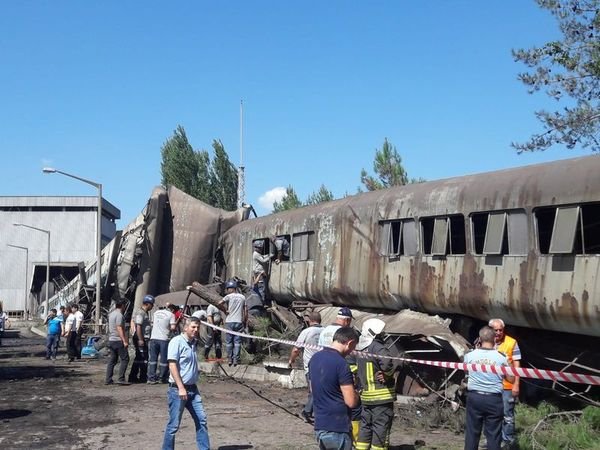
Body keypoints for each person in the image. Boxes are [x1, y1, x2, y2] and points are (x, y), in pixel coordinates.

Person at [162, 317, 210, 450]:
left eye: (198, 327)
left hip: (193, 390)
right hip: (178, 390)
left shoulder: (193, 343)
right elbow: (172, 365)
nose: (196, 330)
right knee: (174, 425)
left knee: (202, 420)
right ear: (185, 327)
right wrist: (181, 387)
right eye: (193, 327)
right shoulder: (176, 342)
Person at [464, 326, 514, 450]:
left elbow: (466, 374)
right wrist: (509, 363)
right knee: (493, 435)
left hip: (474, 397)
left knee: (472, 433)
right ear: (495, 339)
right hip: (494, 399)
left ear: (479, 339)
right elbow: (511, 379)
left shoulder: (469, 356)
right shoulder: (502, 357)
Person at [309, 327, 360, 450]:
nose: (352, 351)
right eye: (353, 347)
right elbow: (351, 402)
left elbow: (312, 389)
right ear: (350, 343)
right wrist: (356, 392)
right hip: (338, 427)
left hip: (320, 424)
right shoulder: (341, 364)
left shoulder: (315, 358)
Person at [354, 318, 398, 450]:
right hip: (381, 397)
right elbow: (387, 363)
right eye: (381, 333)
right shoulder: (377, 347)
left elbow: (352, 367)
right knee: (381, 429)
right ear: (375, 333)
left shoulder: (360, 347)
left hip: (366, 397)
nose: (383, 335)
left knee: (365, 427)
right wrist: (388, 374)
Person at [489, 318, 521, 447]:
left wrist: (516, 385)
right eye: (495, 330)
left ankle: (508, 442)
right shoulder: (485, 342)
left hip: (507, 386)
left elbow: (517, 366)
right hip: (491, 386)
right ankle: (493, 441)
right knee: (492, 416)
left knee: (508, 416)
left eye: (500, 330)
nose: (498, 332)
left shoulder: (512, 343)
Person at [288, 311, 323, 423]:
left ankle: (307, 412)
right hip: (325, 365)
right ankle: (313, 413)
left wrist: (291, 360)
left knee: (314, 391)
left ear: (309, 320)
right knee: (319, 390)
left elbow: (296, 349)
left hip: (311, 367)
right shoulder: (326, 331)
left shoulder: (306, 332)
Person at [219, 280, 247, 367]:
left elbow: (219, 303)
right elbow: (246, 310)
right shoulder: (242, 297)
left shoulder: (228, 296)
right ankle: (236, 359)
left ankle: (229, 359)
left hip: (229, 321)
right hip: (239, 321)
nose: (227, 290)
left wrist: (225, 310)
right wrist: (245, 320)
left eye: (228, 289)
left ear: (231, 289)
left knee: (229, 342)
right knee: (237, 342)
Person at [148, 303, 177, 384]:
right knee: (163, 359)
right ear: (172, 309)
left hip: (153, 338)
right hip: (164, 339)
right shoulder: (171, 315)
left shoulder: (156, 313)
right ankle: (162, 377)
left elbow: (152, 324)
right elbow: (172, 327)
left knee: (153, 359)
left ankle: (151, 378)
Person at [129, 295, 155, 383]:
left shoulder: (144, 312)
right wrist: (140, 339)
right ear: (147, 304)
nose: (153, 306)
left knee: (140, 358)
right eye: (152, 304)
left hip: (143, 338)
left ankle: (137, 376)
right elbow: (138, 326)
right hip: (141, 338)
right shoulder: (141, 313)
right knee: (142, 358)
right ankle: (139, 376)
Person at [105, 300, 130, 385]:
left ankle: (108, 379)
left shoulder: (111, 314)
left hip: (111, 339)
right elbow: (119, 327)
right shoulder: (119, 315)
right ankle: (121, 378)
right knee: (125, 359)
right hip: (118, 340)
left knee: (112, 360)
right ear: (122, 305)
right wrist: (124, 340)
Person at [252, 241, 272, 305]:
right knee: (261, 288)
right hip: (260, 273)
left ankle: (262, 302)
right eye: (259, 248)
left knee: (262, 288)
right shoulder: (256, 254)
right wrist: (270, 257)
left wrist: (267, 255)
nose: (260, 249)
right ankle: (261, 303)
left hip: (259, 272)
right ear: (256, 248)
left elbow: (262, 256)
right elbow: (263, 260)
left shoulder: (257, 254)